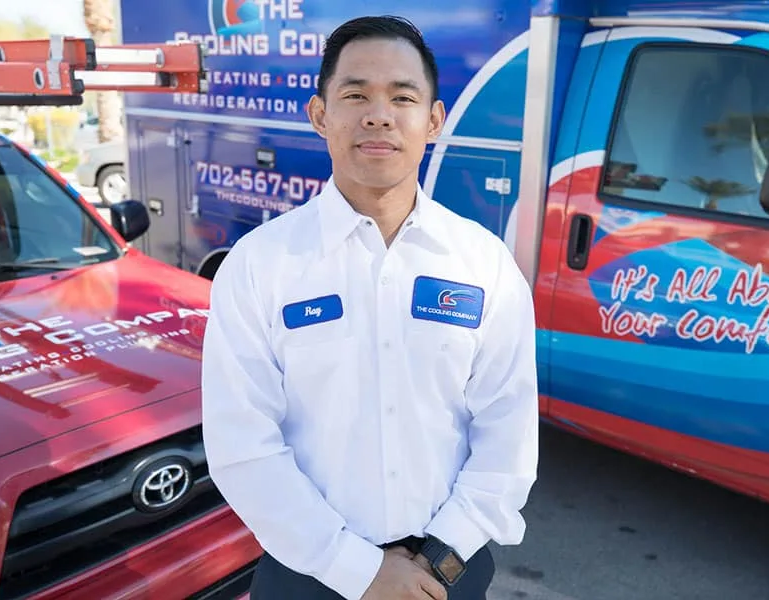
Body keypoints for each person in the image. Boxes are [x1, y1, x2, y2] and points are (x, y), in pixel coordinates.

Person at [201, 14, 539, 600]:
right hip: (309, 574)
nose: (378, 114)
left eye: (402, 97)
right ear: (320, 115)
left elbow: (507, 434)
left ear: (432, 120)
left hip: (447, 574)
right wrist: (355, 567)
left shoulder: (483, 264)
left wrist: (440, 557)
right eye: (355, 94)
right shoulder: (260, 265)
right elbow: (243, 445)